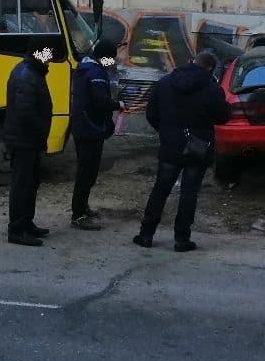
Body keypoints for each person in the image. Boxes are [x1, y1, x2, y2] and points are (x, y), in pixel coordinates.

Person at [133, 51, 230, 252]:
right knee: (189, 192)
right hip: (198, 146)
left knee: (160, 190)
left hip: (170, 144)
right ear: (210, 68)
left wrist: (166, 131)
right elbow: (223, 116)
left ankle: (146, 234)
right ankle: (181, 239)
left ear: (191, 61)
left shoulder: (165, 82)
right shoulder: (212, 88)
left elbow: (151, 113)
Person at [69, 39, 123, 230]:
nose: (112, 63)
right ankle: (79, 215)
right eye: (111, 59)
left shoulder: (84, 68)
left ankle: (82, 207)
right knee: (87, 173)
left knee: (86, 172)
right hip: (90, 129)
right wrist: (118, 105)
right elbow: (101, 102)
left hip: (84, 127)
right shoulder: (96, 73)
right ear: (104, 57)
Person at [3, 45, 54, 247]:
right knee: (22, 185)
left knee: (31, 183)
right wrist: (41, 129)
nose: (49, 61)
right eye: (47, 56)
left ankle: (26, 223)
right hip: (24, 140)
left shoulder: (32, 71)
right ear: (37, 54)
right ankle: (16, 230)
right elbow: (26, 112)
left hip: (29, 140)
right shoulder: (27, 75)